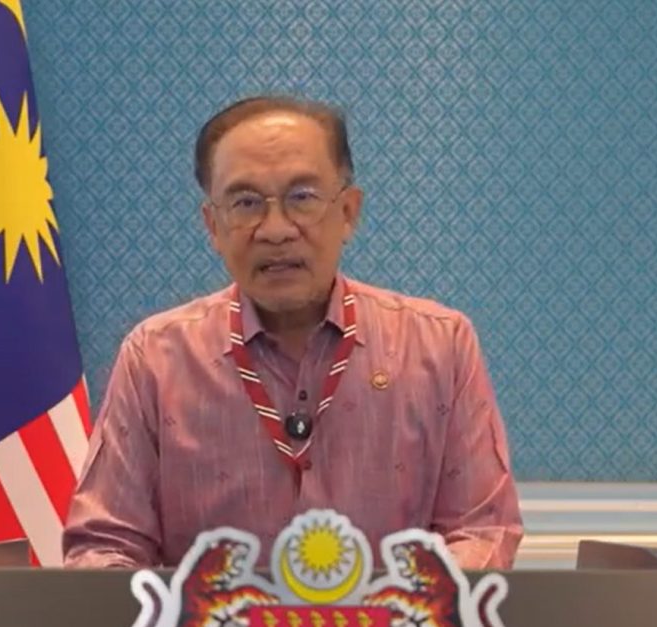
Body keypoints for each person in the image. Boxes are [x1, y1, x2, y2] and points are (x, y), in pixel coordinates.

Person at [62, 96, 522, 570]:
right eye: (245, 203)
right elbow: (104, 546)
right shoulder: (155, 358)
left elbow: (480, 531)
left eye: (302, 198)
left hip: (395, 620)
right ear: (213, 226)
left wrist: (393, 610)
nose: (276, 230)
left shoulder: (440, 346)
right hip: (207, 620)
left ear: (348, 212)